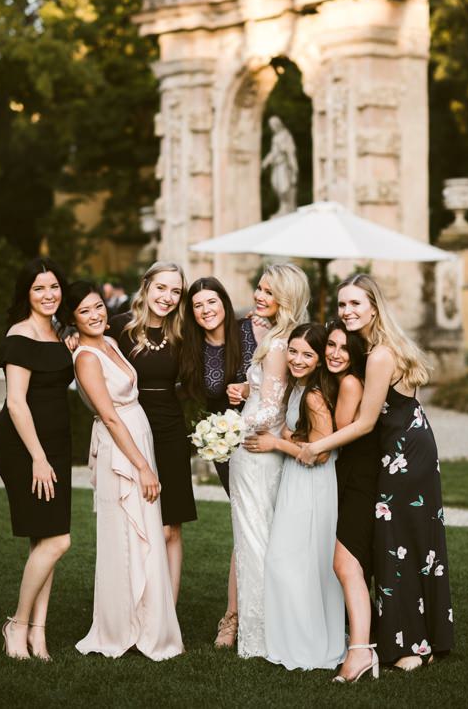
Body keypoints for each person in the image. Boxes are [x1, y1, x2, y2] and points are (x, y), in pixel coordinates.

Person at [301, 275, 451, 675]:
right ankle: (414, 640)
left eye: (355, 304)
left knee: (401, 544)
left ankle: (413, 645)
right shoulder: (367, 348)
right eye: (342, 304)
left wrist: (317, 445)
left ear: (373, 307)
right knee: (399, 544)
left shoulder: (381, 354)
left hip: (405, 454)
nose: (347, 311)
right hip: (395, 449)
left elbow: (366, 422)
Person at [68, 280, 183, 661]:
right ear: (73, 319)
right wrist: (144, 467)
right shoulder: (86, 357)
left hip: (137, 435)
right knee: (123, 536)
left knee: (144, 532)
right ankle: (120, 627)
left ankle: (147, 622)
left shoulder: (110, 341)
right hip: (121, 448)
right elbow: (110, 417)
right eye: (84, 311)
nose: (95, 315)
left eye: (98, 306)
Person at [246, 324, 344, 671]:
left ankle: (307, 645)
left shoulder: (314, 396)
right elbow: (306, 438)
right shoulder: (298, 388)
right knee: (295, 562)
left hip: (312, 483)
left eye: (307, 354)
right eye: (293, 351)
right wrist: (290, 435)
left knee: (292, 562)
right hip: (298, 479)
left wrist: (276, 443)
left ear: (319, 360)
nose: (297, 360)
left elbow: (320, 453)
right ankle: (295, 638)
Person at [0, 257, 72, 662]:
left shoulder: (59, 333)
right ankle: (17, 624)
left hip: (57, 444)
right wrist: (38, 457)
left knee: (45, 538)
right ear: (27, 293)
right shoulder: (19, 335)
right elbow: (16, 403)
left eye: (54, 286)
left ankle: (39, 632)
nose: (48, 294)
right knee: (58, 540)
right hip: (26, 447)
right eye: (39, 288)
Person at [227, 262, 310, 659]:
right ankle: (270, 627)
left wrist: (227, 428)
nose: (259, 296)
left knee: (254, 537)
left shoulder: (278, 344)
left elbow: (272, 410)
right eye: (259, 288)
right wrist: (247, 389)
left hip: (256, 447)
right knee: (259, 533)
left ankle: (261, 635)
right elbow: (269, 393)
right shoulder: (280, 337)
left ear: (286, 299)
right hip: (260, 447)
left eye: (269, 292)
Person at [108, 261, 191, 600]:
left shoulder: (184, 331)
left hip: (171, 430)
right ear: (146, 285)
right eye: (161, 287)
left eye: (176, 291)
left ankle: (168, 611)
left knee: (170, 528)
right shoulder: (118, 327)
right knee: (134, 524)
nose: (167, 297)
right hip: (130, 431)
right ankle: (135, 604)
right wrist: (69, 333)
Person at [178, 276, 246, 647]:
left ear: (224, 302)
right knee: (245, 525)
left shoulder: (250, 331)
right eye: (198, 305)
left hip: (267, 440)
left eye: (211, 302)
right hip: (227, 446)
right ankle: (231, 618)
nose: (206, 310)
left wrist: (250, 388)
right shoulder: (190, 349)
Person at [322, 320, 379, 683]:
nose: (335, 353)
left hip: (360, 478)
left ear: (356, 354)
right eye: (331, 345)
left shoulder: (350, 383)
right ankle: (363, 638)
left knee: (346, 564)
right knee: (350, 562)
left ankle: (360, 651)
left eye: (344, 348)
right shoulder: (347, 380)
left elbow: (338, 432)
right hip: (353, 476)